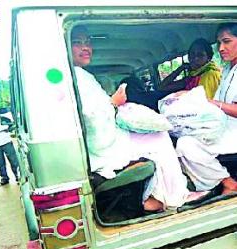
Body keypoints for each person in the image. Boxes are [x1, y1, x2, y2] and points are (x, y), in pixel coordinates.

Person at [71, 26, 203, 212]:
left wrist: (114, 107)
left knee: (156, 137)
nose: (85, 48)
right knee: (159, 137)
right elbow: (91, 117)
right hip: (102, 147)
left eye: (88, 42)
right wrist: (114, 103)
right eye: (77, 42)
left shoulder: (80, 76)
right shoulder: (76, 77)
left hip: (104, 139)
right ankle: (175, 195)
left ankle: (156, 196)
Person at [176, 23, 237, 194]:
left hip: (233, 133)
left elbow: (215, 103)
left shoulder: (216, 72)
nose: (221, 48)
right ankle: (225, 182)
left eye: (227, 42)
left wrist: (208, 102)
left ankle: (227, 183)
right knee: (183, 139)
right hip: (222, 128)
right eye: (219, 43)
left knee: (187, 146)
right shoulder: (227, 70)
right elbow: (215, 103)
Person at [0, 106, 19, 186]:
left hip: (6, 140)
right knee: (0, 163)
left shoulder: (3, 113)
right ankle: (4, 178)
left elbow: (12, 124)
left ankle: (18, 176)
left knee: (13, 160)